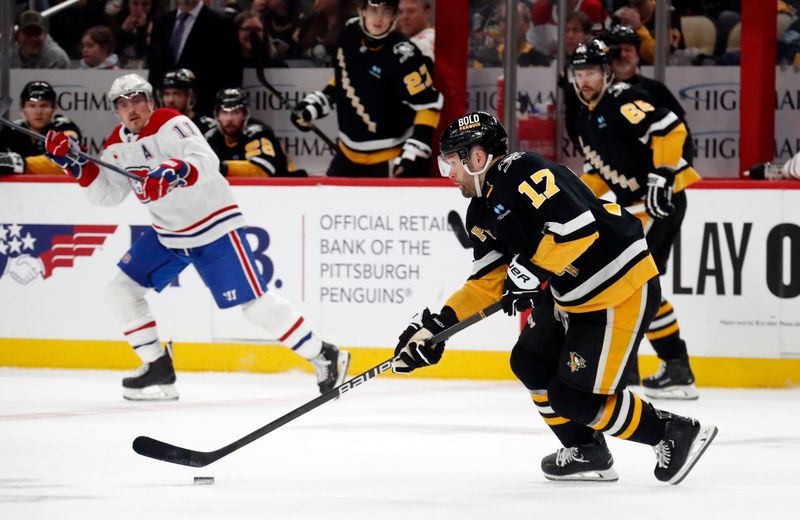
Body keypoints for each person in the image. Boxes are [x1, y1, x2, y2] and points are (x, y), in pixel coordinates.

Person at [392, 110, 717, 484]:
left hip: (618, 289)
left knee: (576, 399)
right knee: (529, 361)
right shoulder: (480, 209)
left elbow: (578, 227)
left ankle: (671, 431)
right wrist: (436, 327)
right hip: (572, 296)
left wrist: (530, 270)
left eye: (451, 162)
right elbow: (486, 281)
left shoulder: (523, 171)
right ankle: (588, 451)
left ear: (477, 157)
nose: (447, 173)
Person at [42, 74, 349, 401]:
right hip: (168, 234)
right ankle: (158, 366)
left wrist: (172, 171)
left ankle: (324, 354)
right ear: (115, 110)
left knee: (255, 306)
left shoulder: (170, 124)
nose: (131, 109)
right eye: (123, 104)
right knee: (120, 291)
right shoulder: (116, 144)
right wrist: (75, 165)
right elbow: (106, 197)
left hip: (213, 227)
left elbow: (206, 161)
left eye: (137, 100)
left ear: (151, 101)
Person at [569, 38, 701, 399]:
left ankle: (654, 366)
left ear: (606, 73)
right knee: (641, 286)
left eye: (592, 72)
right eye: (579, 73)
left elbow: (669, 127)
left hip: (659, 203)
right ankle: (671, 367)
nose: (585, 80)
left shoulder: (620, 98)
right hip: (638, 208)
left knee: (632, 283)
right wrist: (571, 199)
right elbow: (599, 172)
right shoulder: (584, 116)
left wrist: (662, 174)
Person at [291, 0, 443, 178]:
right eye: (373, 11)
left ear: (394, 16)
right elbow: (345, 78)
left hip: (387, 157)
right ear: (361, 11)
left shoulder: (404, 54)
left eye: (386, 12)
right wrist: (318, 104)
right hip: (346, 154)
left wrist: (417, 145)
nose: (379, 19)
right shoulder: (348, 32)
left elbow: (429, 104)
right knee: (331, 204)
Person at [147, 0, 243, 116]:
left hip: (205, 111)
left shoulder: (222, 23)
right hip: (165, 112)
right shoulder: (160, 23)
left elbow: (232, 73)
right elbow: (154, 70)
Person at [206, 88, 305, 178]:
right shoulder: (211, 136)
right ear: (217, 115)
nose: (230, 118)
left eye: (236, 112)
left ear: (245, 114)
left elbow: (262, 170)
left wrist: (221, 168)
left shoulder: (258, 132)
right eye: (224, 113)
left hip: (278, 190)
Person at [0, 81, 83, 176]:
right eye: (32, 105)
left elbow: (66, 159)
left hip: (58, 189)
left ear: (53, 108)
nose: (38, 112)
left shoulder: (65, 126)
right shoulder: (11, 129)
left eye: (44, 105)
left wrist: (19, 163)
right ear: (22, 109)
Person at [158, 69, 215, 135]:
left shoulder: (208, 128)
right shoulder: (157, 127)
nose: (171, 100)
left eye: (177, 94)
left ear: (191, 96)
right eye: (166, 94)